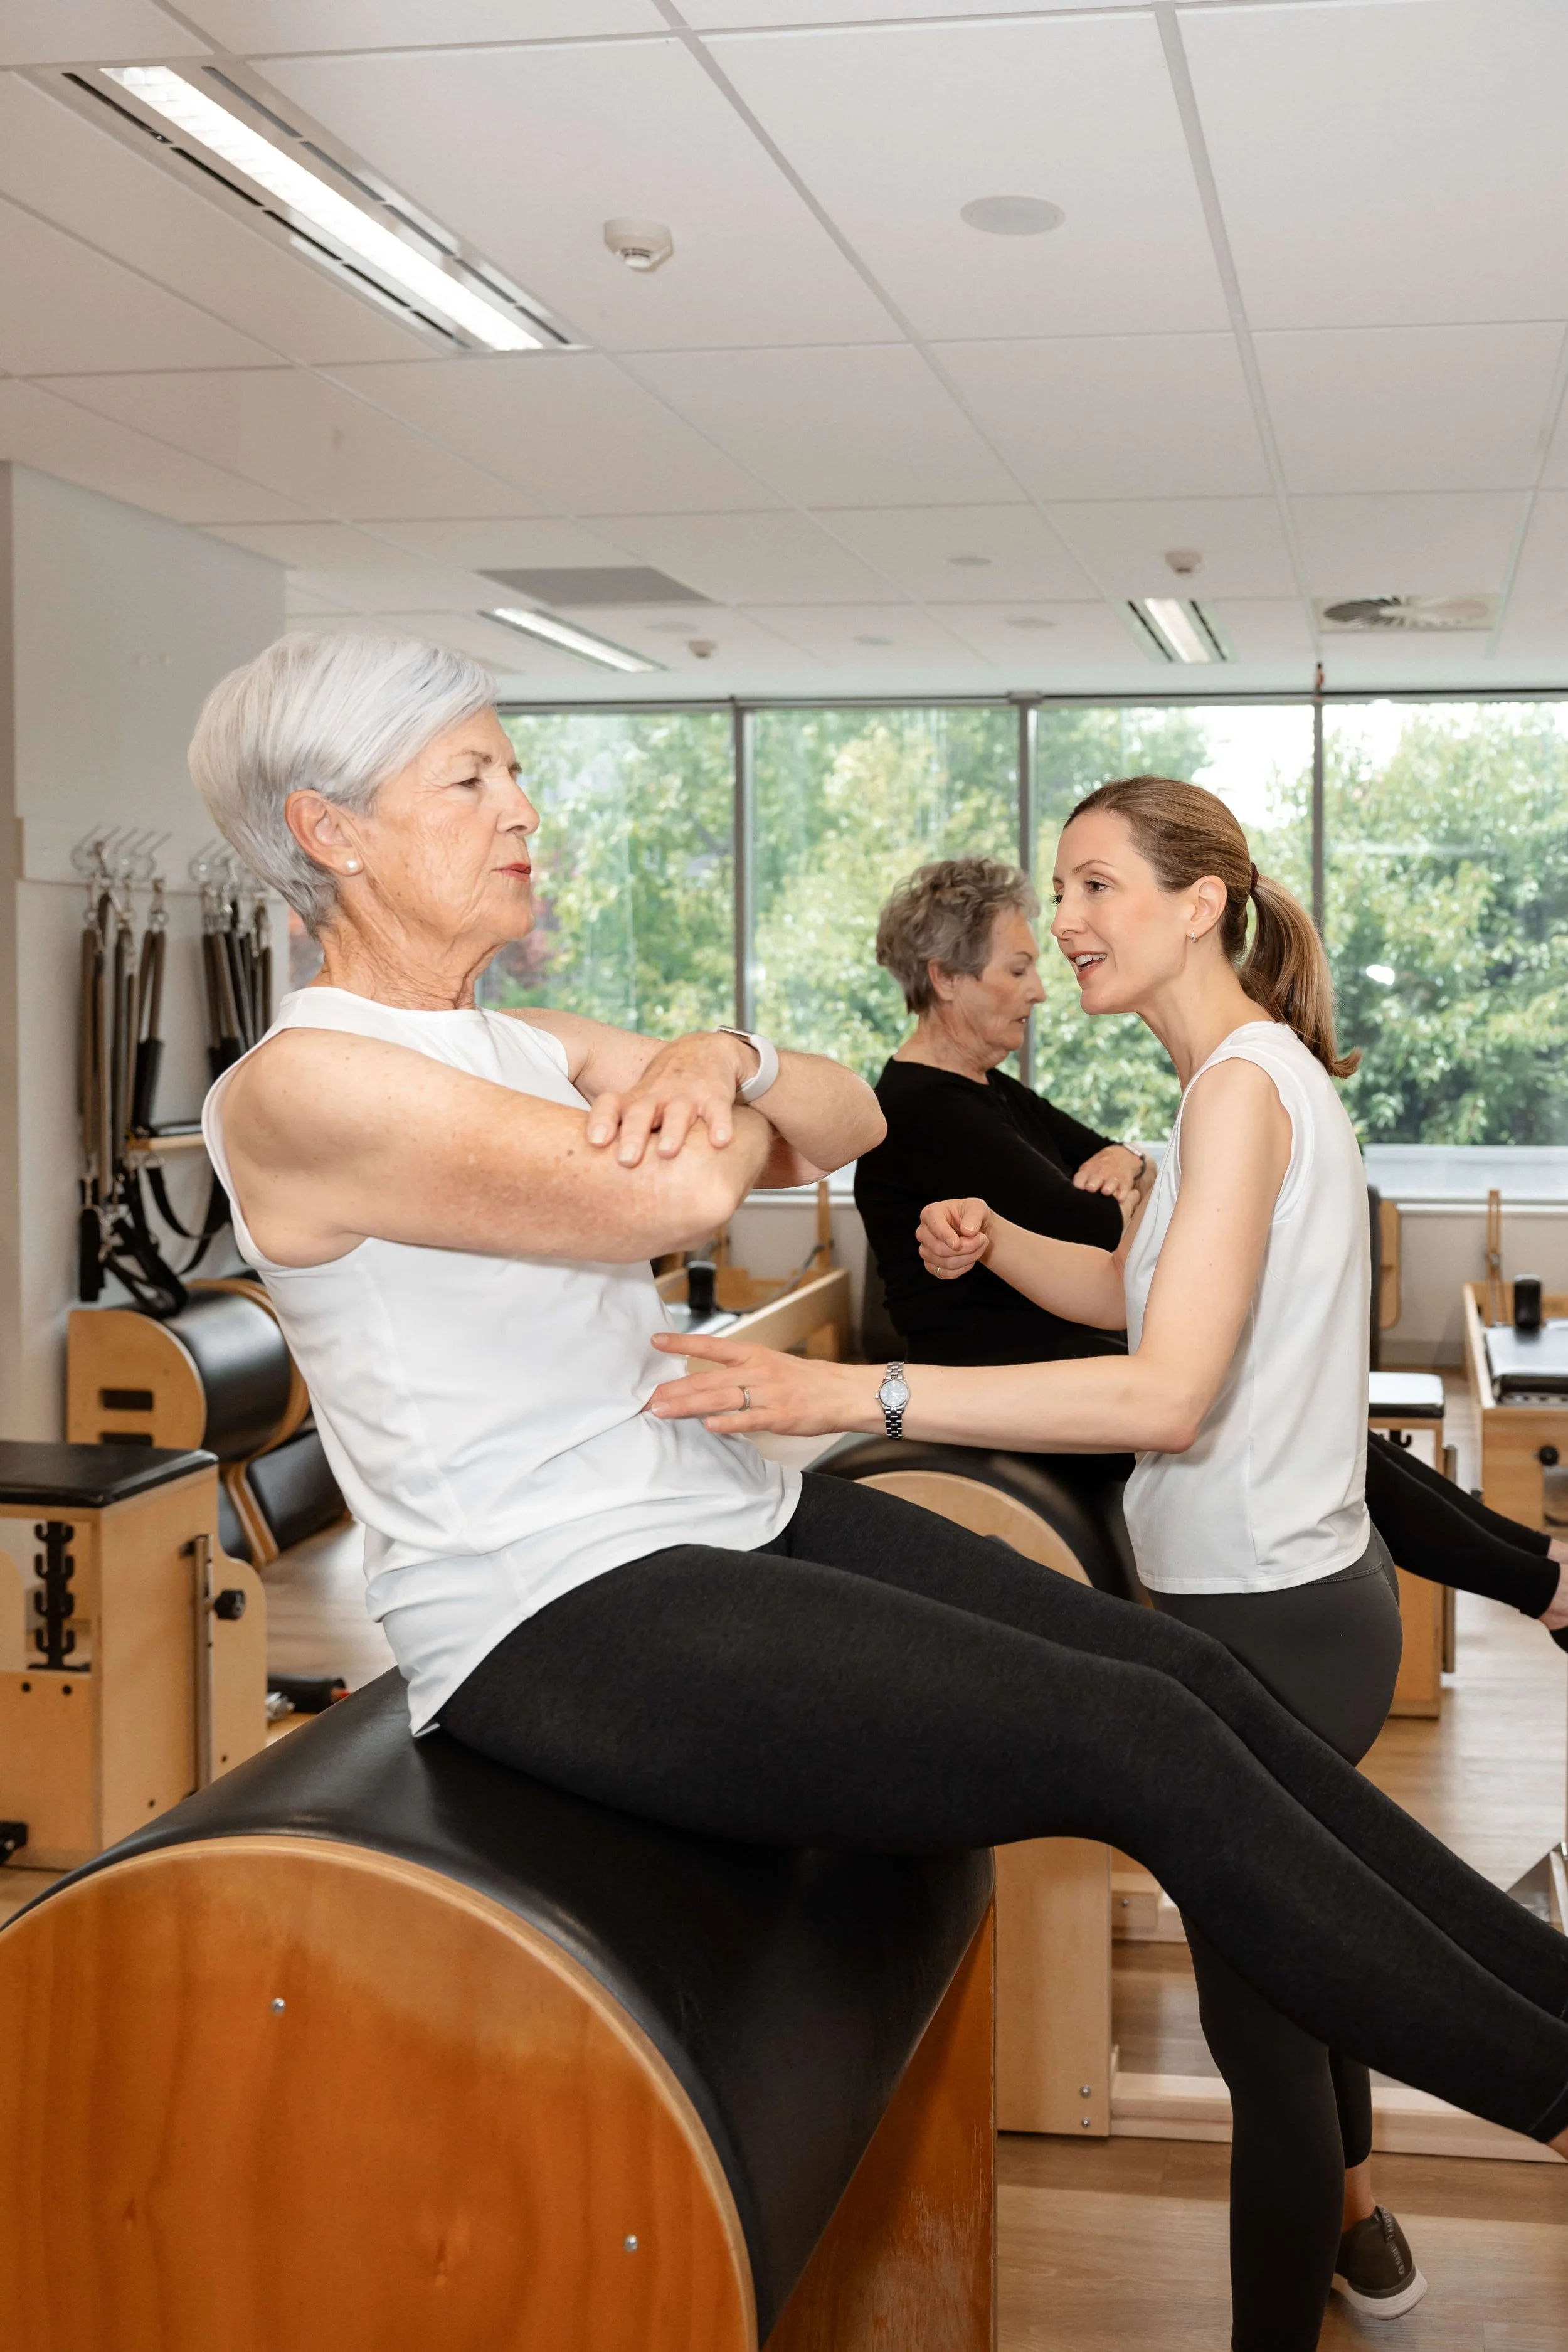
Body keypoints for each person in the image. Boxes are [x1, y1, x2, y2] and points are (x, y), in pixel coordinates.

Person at [192, 642, 1568, 2343]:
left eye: (512, 768)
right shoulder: (302, 1084)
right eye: (468, 780)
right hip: (550, 1606)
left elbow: (837, 1114)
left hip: (716, 1508)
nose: (521, 808)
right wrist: (703, 1086)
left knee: (1185, 1676)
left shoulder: (519, 1035)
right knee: (1128, 1740)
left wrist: (717, 1039)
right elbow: (684, 1192)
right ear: (326, 829)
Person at [652, 778, 1568, 2347]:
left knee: (1267, 2052)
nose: (1060, 926)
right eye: (1051, 902)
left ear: (1197, 904)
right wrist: (998, 1246)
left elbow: (1167, 1392)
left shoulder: (1232, 1091)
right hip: (1279, 1591)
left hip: (1270, 1613)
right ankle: (1369, 2242)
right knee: (1305, 1971)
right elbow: (1136, 1302)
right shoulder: (1233, 1078)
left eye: (1089, 889)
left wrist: (849, 1394)